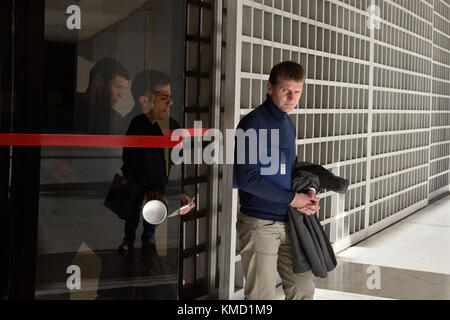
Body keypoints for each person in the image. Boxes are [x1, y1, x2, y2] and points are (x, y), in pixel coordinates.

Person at [234, 61, 321, 300]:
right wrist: (294, 199)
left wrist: (308, 193)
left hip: (289, 220)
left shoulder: (287, 122)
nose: (292, 97)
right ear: (270, 87)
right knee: (261, 297)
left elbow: (289, 169)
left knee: (303, 290)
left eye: (297, 92)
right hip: (259, 223)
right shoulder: (252, 124)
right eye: (286, 90)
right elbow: (247, 178)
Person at [118, 69, 195, 254]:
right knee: (133, 218)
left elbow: (176, 163)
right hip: (139, 184)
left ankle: (146, 240)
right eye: (163, 97)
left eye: (170, 96)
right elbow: (128, 160)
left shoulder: (173, 127)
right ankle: (129, 239)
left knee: (151, 225)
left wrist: (180, 191)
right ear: (144, 101)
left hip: (159, 183)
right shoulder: (135, 124)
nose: (170, 102)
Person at [74, 57, 129, 134]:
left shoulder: (115, 119)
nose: (122, 95)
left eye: (125, 89)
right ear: (98, 80)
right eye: (118, 87)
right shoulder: (69, 111)